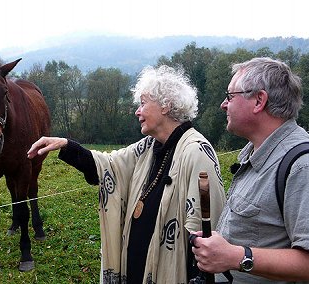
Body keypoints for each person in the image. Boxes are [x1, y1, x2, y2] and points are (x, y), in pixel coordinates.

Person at [27, 65, 226, 283]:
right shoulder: (149, 147)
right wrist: (66, 146)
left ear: (166, 105)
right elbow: (109, 165)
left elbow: (204, 232)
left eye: (143, 103)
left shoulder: (196, 151)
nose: (137, 112)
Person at [191, 57, 309, 283]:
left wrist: (237, 256)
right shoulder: (255, 152)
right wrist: (220, 246)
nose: (224, 104)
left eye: (230, 96)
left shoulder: (304, 165)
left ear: (259, 100)